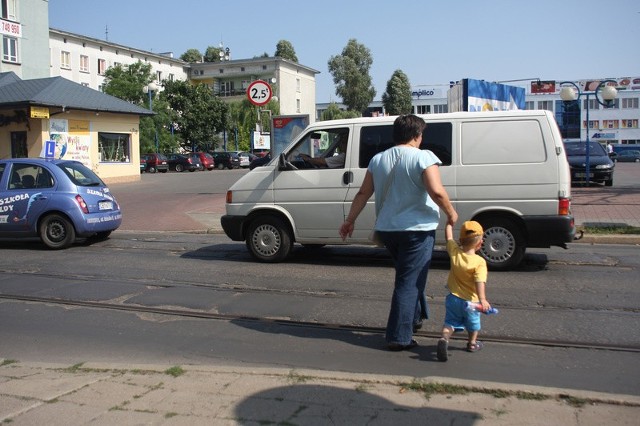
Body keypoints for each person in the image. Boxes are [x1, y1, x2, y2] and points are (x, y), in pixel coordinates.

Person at [339, 114, 457, 351]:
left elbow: (363, 194)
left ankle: (413, 318)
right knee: (408, 282)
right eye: (422, 134)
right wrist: (451, 214)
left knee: (409, 277)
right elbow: (437, 192)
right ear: (417, 135)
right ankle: (399, 336)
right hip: (417, 230)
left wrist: (350, 220)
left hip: (388, 230)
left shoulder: (378, 159)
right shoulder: (424, 157)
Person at [437, 220, 491, 362]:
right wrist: (483, 299)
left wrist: (448, 223)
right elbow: (480, 281)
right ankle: (472, 344)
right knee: (473, 324)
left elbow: (449, 237)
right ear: (480, 243)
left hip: (453, 298)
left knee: (450, 322)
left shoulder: (455, 252)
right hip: (471, 302)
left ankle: (444, 338)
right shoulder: (479, 262)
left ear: (460, 240)